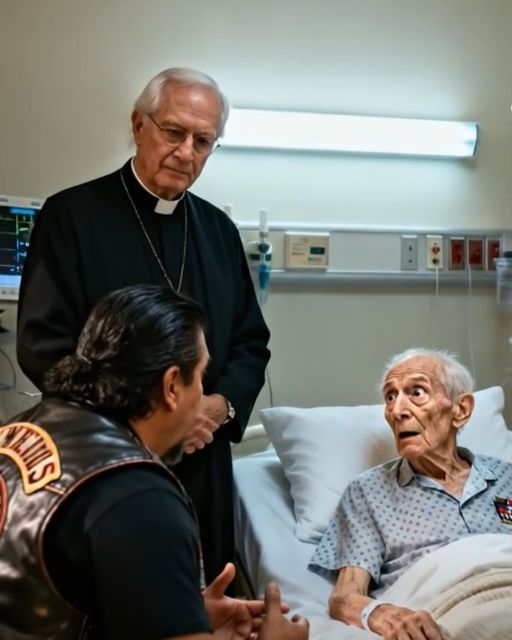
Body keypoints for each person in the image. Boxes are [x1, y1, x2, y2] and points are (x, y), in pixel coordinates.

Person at [16, 67, 271, 584]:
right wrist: (147, 418)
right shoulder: (70, 217)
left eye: (203, 141)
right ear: (139, 125)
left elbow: (250, 341)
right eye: (173, 132)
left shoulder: (219, 231)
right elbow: (43, 344)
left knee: (204, 599)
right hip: (106, 463)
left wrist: (217, 407)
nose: (186, 152)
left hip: (203, 461)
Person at [0, 284, 307, 640]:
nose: (202, 394)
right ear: (172, 385)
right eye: (201, 377)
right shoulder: (139, 498)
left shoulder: (19, 430)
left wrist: (179, 613)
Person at [309, 348, 512, 640]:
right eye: (390, 397)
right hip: (447, 606)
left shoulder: (506, 476)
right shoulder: (368, 491)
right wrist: (381, 614)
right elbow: (344, 597)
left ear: (461, 410)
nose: (397, 410)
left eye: (417, 392)